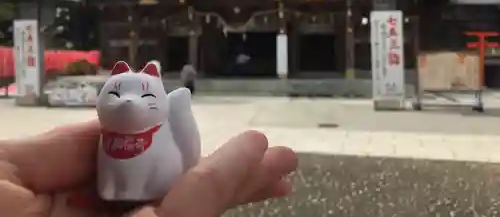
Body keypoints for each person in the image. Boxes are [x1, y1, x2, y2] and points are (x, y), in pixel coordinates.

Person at [0, 121, 297, 217]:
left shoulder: (158, 133)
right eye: (115, 95)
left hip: (159, 174)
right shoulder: (104, 137)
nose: (127, 102)